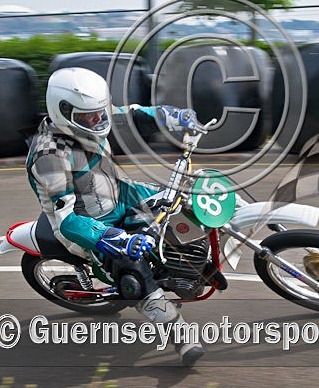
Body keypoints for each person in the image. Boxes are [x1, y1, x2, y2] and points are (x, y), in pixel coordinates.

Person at [26, 67, 218, 366]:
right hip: (87, 223)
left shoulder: (92, 113)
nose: (97, 120)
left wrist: (176, 117)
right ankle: (176, 331)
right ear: (63, 112)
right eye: (88, 116)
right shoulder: (49, 156)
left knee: (187, 197)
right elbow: (67, 220)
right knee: (133, 273)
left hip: (119, 192)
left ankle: (187, 263)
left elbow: (134, 115)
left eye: (98, 112)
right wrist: (111, 238)